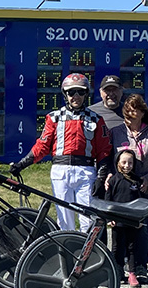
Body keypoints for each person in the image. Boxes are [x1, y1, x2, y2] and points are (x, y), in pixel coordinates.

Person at [10, 73, 113, 232]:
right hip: (60, 171)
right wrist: (22, 164)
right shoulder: (53, 118)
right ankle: (66, 253)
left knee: (88, 219)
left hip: (86, 171)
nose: (76, 96)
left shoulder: (96, 119)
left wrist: (101, 177)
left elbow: (104, 151)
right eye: (71, 92)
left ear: (86, 93)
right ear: (65, 94)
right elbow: (42, 146)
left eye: (80, 91)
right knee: (64, 220)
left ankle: (88, 255)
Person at [109, 94, 148, 283]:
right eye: (128, 110)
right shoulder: (116, 132)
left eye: (135, 110)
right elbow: (107, 156)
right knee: (119, 229)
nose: (131, 114)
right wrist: (110, 175)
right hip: (120, 190)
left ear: (143, 112)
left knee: (141, 229)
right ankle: (118, 266)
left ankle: (140, 266)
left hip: (142, 189)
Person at [106, 149, 143, 287]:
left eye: (130, 163)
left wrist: (139, 219)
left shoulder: (137, 181)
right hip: (117, 221)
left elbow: (141, 203)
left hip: (132, 220)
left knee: (132, 247)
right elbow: (108, 201)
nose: (127, 165)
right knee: (117, 247)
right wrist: (109, 218)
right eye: (124, 162)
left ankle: (132, 273)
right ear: (118, 163)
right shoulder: (113, 180)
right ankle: (117, 271)